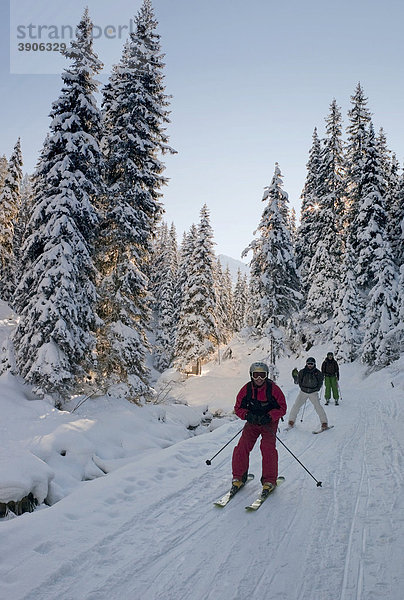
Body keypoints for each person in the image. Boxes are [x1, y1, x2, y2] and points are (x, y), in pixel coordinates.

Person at [231, 361, 287, 496]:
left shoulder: (273, 389)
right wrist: (247, 415)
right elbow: (238, 408)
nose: (259, 379)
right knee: (242, 447)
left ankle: (269, 480)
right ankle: (238, 477)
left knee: (267, 449)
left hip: (268, 423)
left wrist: (269, 416)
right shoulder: (246, 389)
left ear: (266, 375)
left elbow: (282, 407)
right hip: (253, 422)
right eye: (256, 375)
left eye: (262, 375)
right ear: (251, 375)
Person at [287, 357, 328, 430]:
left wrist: (316, 389)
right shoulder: (302, 372)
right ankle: (291, 422)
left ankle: (324, 423)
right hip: (303, 392)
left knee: (318, 407)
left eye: (311, 364)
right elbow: (299, 381)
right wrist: (302, 387)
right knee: (296, 406)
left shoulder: (317, 373)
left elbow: (320, 382)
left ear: (314, 364)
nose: (310, 365)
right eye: (308, 364)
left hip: (313, 393)